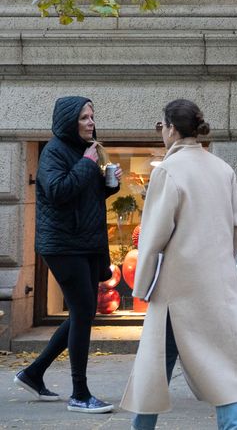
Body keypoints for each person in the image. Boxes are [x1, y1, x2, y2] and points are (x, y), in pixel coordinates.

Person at [121, 100, 237, 429]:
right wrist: (220, 259)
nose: (161, 132)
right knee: (224, 367)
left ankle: (142, 427)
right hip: (218, 281)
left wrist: (141, 286)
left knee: (156, 364)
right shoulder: (222, 168)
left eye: (161, 126)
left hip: (177, 285)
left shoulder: (168, 171)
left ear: (172, 128)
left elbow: (154, 237)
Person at [15, 97, 121, 414]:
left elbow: (82, 195)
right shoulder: (54, 151)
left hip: (85, 243)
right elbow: (58, 192)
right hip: (63, 245)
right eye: (84, 117)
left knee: (82, 312)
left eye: (92, 116)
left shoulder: (82, 151)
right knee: (83, 311)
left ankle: (33, 373)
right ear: (68, 121)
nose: (91, 122)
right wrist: (87, 164)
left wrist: (108, 185)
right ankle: (80, 394)